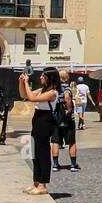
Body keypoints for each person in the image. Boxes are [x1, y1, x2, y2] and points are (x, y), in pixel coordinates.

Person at [18, 66, 62, 195]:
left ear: (50, 78)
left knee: (42, 152)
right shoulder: (42, 90)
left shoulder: (53, 92)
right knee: (34, 152)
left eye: (43, 76)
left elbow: (32, 98)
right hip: (37, 119)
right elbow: (24, 95)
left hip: (45, 121)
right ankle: (36, 182)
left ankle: (43, 184)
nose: (41, 77)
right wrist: (21, 82)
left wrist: (26, 82)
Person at [51, 69, 79, 172]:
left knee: (55, 142)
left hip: (56, 119)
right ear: (66, 78)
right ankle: (72, 164)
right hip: (67, 120)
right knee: (71, 142)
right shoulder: (67, 88)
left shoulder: (54, 89)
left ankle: (55, 164)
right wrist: (70, 109)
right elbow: (67, 97)